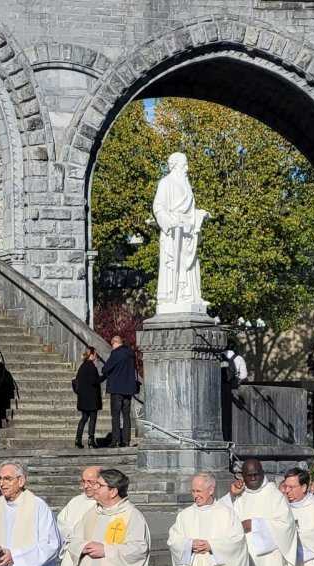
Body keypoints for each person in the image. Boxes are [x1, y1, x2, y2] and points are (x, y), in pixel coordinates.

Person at [153, 151, 210, 311]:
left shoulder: (186, 184)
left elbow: (190, 210)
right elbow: (158, 207)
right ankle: (174, 298)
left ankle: (190, 296)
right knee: (175, 265)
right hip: (173, 233)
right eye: (184, 164)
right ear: (176, 165)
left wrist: (199, 215)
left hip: (188, 233)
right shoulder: (166, 183)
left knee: (190, 265)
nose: (187, 168)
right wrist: (170, 221)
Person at [101, 335, 139, 448]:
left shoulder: (117, 354)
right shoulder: (131, 354)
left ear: (115, 343)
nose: (112, 347)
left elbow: (105, 369)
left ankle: (116, 440)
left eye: (112, 345)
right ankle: (126, 440)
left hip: (117, 388)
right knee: (126, 415)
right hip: (128, 389)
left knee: (116, 415)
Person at [72, 346, 102, 449]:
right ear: (92, 355)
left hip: (83, 398)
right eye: (95, 355)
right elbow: (94, 381)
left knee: (84, 418)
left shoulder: (82, 366)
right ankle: (91, 439)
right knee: (92, 418)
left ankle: (78, 439)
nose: (96, 357)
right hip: (91, 398)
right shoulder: (91, 366)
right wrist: (104, 376)